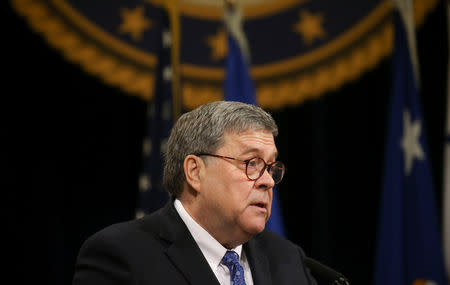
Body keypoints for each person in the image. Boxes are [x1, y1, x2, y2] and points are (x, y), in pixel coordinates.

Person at [73, 101, 317, 285]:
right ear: (194, 171)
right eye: (251, 163)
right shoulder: (121, 256)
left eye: (270, 167)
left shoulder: (288, 260)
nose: (267, 181)